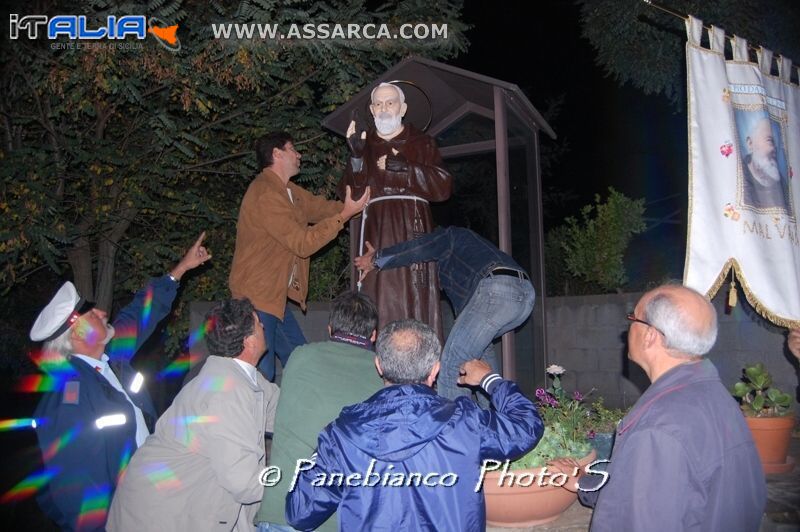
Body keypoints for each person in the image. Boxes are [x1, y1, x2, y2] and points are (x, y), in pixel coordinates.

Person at [285, 319, 543, 532]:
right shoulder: (465, 422)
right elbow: (526, 425)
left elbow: (300, 512)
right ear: (435, 371)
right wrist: (490, 379)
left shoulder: (342, 434)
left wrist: (320, 455)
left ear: (378, 365)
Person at [29, 233, 211, 531]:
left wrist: (180, 269)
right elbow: (76, 490)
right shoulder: (67, 398)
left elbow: (140, 313)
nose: (103, 311)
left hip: (148, 500)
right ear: (76, 335)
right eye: (90, 312)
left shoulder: (110, 360)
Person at [553, 284, 766, 531]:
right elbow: (664, 494)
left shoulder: (660, 428)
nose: (627, 328)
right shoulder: (714, 396)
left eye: (633, 318)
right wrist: (584, 482)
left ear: (650, 335)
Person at [107, 298, 280, 531]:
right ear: (249, 341)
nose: (264, 327)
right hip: (156, 518)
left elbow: (285, 412)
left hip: (177, 509)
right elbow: (245, 481)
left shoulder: (244, 378)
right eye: (259, 323)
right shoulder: (226, 392)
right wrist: (298, 481)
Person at [230, 131, 370, 381]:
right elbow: (302, 243)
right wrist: (344, 216)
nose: (299, 154)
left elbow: (322, 208)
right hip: (256, 299)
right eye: (293, 149)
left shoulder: (289, 192)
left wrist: (358, 208)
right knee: (261, 374)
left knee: (301, 362)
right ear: (277, 154)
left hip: (273, 300)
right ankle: (251, 419)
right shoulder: (266, 194)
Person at [355, 226, 535, 406]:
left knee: (451, 365)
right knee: (476, 362)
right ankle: (493, 419)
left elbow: (420, 248)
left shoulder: (452, 236)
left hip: (497, 288)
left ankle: (455, 429)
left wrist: (377, 259)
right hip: (523, 296)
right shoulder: (464, 264)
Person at [255, 291, 383, 532]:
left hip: (282, 513)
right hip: (345, 521)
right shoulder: (384, 375)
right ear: (373, 335)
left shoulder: (301, 356)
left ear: (330, 328)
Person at [337, 82, 452, 338]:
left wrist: (404, 168)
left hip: (413, 229)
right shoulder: (364, 146)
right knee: (377, 300)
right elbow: (352, 197)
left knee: (416, 301)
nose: (384, 109)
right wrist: (356, 158)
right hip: (376, 231)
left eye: (390, 102)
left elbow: (443, 186)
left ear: (403, 108)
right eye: (378, 104)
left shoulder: (422, 143)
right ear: (371, 109)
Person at [741, 116, 790, 211]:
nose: (775, 149)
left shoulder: (783, 187)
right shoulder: (736, 175)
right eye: (770, 141)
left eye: (778, 145)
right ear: (750, 143)